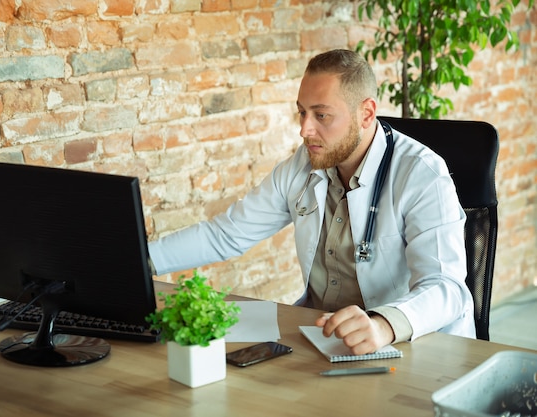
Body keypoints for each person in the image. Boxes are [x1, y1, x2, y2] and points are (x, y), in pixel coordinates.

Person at [148, 49, 476, 355]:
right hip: (321, 339)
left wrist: (384, 325)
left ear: (366, 113)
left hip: (411, 346)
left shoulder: (422, 174)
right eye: (302, 113)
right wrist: (139, 262)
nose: (305, 130)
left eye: (322, 115)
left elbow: (446, 287)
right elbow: (226, 234)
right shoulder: (303, 166)